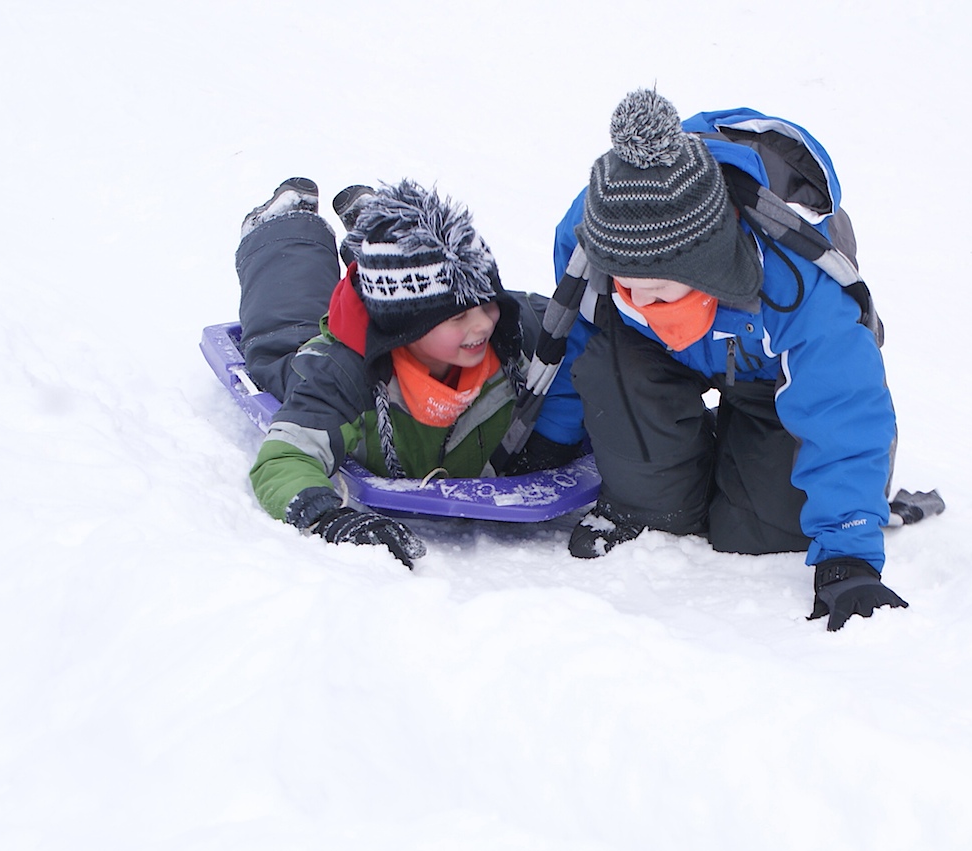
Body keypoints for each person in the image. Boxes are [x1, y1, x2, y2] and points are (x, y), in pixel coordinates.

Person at [532, 88, 912, 630]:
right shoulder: (593, 232)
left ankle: (752, 458)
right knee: (654, 505)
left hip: (768, 377)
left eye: (659, 290)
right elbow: (571, 341)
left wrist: (848, 554)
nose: (640, 302)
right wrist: (549, 441)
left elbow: (840, 404)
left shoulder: (796, 279)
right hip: (658, 360)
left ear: (708, 268)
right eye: (627, 287)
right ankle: (666, 481)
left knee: (761, 530)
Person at [234, 177, 575, 568]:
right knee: (282, 337)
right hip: (339, 347)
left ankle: (385, 226)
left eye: (489, 303)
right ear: (405, 328)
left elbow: (587, 335)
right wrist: (331, 518)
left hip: (406, 288)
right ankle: (284, 226)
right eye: (459, 316)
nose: (482, 324)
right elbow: (283, 459)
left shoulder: (517, 329)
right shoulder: (339, 372)